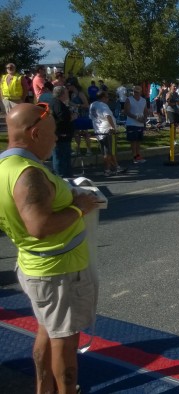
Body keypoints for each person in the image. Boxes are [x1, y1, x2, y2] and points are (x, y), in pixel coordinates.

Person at [0, 103, 101, 394]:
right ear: (34, 133)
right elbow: (40, 225)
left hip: (35, 265)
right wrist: (79, 208)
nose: (56, 138)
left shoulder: (6, 165)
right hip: (59, 271)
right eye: (52, 132)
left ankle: (43, 388)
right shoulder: (29, 173)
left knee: (48, 330)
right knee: (65, 342)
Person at [90, 91, 122, 175]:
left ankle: (112, 168)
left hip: (99, 131)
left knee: (105, 152)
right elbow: (107, 116)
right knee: (111, 151)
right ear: (103, 97)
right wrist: (113, 128)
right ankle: (111, 169)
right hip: (107, 131)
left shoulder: (92, 105)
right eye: (107, 97)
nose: (108, 99)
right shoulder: (103, 106)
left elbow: (92, 117)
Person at [50, 86, 75, 177]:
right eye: (66, 93)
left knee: (64, 157)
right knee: (60, 157)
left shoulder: (58, 103)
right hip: (61, 135)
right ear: (62, 94)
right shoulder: (57, 103)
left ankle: (66, 176)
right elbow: (62, 117)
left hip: (63, 134)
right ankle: (60, 176)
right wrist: (72, 117)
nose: (68, 94)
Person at [123, 85, 148, 163]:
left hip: (140, 123)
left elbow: (145, 111)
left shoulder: (143, 100)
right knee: (133, 141)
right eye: (135, 92)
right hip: (132, 123)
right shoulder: (129, 99)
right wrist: (136, 117)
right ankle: (134, 156)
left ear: (140, 92)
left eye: (137, 92)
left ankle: (138, 155)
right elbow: (127, 112)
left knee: (138, 141)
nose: (136, 93)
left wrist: (144, 119)